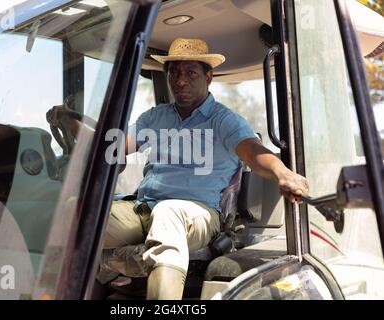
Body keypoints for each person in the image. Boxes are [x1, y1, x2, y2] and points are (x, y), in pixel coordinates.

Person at [98, 38, 309, 300]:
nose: (180, 81)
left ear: (208, 77)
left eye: (190, 73)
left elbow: (254, 154)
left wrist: (284, 174)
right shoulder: (155, 117)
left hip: (198, 214)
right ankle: (108, 267)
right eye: (174, 73)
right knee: (84, 219)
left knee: (169, 212)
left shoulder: (223, 120)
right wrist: (88, 142)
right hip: (144, 208)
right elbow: (116, 148)